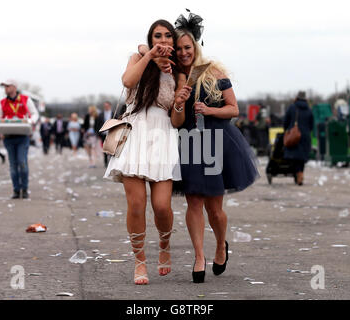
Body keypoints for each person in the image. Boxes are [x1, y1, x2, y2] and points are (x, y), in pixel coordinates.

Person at [144, 11, 259, 283]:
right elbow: (142, 50)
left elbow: (234, 109)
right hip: (188, 143)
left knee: (214, 209)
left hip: (216, 143)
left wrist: (209, 109)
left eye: (188, 47)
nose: (183, 53)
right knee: (193, 201)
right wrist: (180, 102)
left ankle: (220, 245)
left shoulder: (213, 72)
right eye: (180, 48)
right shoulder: (171, 74)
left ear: (196, 46)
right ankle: (198, 257)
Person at [104, 19, 182, 285]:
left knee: (161, 206)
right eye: (157, 36)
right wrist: (148, 55)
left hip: (163, 136)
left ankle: (164, 244)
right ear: (150, 40)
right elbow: (127, 80)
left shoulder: (179, 70)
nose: (162, 39)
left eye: (167, 36)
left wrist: (181, 103)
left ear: (174, 40)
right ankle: (139, 262)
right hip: (135, 134)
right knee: (136, 204)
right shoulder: (138, 57)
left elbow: (176, 118)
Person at [0, 79, 39, 199]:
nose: (5, 89)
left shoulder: (25, 100)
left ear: (14, 87)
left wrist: (31, 122)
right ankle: (16, 190)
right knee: (13, 165)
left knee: (22, 162)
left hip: (22, 136)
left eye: (7, 86)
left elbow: (34, 113)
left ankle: (24, 188)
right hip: (8, 137)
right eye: (5, 87)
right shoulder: (2, 103)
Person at [283, 91, 314, 185]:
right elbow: (311, 125)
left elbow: (285, 121)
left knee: (295, 157)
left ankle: (298, 174)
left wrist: (287, 130)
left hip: (294, 136)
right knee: (302, 158)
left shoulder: (292, 107)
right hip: (305, 136)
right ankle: (300, 174)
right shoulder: (309, 109)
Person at [100, 101, 114, 167]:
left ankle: (112, 162)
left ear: (110, 106)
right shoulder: (101, 114)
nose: (106, 107)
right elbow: (98, 124)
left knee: (111, 148)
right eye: (105, 106)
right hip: (103, 133)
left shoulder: (114, 113)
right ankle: (105, 162)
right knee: (104, 148)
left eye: (107, 106)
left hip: (111, 133)